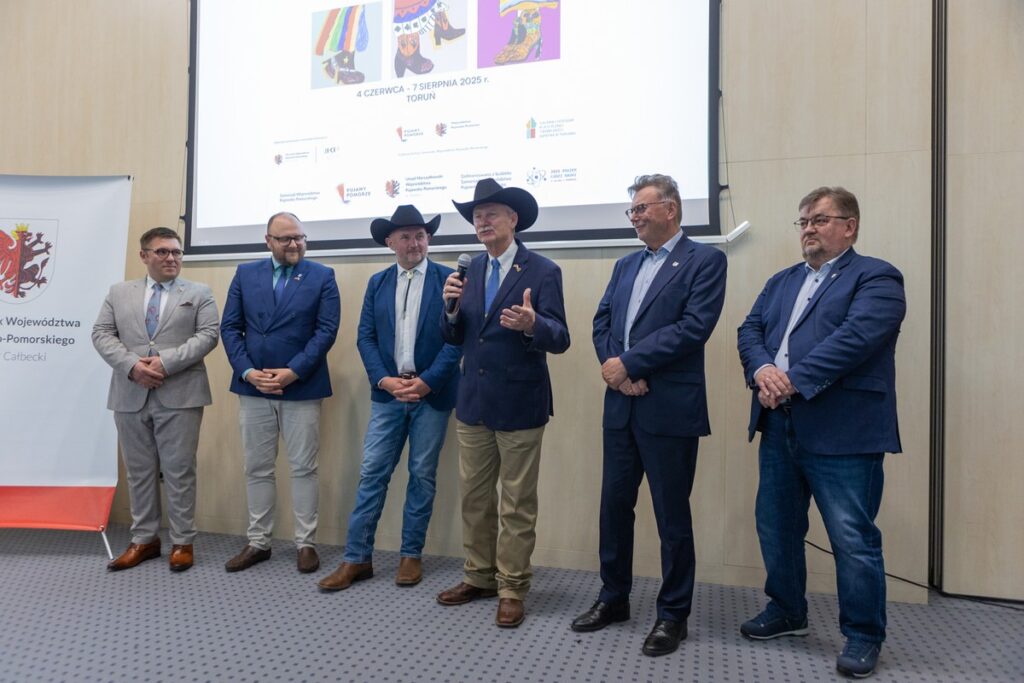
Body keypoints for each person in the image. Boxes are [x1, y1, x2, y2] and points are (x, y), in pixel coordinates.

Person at [736, 186, 905, 678]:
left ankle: (863, 634)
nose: (808, 228)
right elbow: (749, 330)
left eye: (820, 220)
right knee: (777, 525)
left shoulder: (876, 276)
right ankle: (788, 611)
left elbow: (857, 338)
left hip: (844, 429)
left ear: (849, 226)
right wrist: (764, 369)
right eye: (804, 221)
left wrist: (791, 380)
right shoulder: (782, 280)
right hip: (778, 423)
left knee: (851, 537)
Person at [572, 174, 727, 656]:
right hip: (621, 406)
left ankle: (672, 615)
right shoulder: (624, 265)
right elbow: (602, 322)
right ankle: (613, 598)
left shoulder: (705, 260)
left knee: (671, 517)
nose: (635, 217)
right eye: (632, 211)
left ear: (672, 209)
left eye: (642, 208)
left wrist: (632, 363)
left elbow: (694, 327)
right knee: (614, 509)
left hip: (669, 409)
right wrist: (617, 370)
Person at [436, 178, 570, 628]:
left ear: (513, 219)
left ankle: (512, 586)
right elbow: (454, 336)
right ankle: (479, 575)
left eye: (491, 212)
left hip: (519, 403)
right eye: (476, 215)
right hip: (472, 403)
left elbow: (561, 338)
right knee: (475, 499)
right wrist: (450, 310)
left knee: (516, 503)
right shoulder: (468, 270)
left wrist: (534, 324)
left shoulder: (542, 270)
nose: (482, 221)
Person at [318, 205, 461, 592]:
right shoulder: (377, 283)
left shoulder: (450, 280)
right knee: (372, 476)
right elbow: (365, 337)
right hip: (387, 396)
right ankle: (356, 559)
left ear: (428, 239)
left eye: (420, 235)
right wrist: (383, 380)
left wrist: (427, 382)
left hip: (431, 395)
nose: (414, 243)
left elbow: (457, 338)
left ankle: (410, 555)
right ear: (390, 242)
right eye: (405, 236)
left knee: (422, 477)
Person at [92, 227, 219, 572]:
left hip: (181, 393)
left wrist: (165, 362)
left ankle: (182, 542)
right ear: (144, 256)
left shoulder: (199, 292)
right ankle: (144, 540)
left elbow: (208, 335)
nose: (171, 258)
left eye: (176, 252)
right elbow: (101, 333)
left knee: (179, 470)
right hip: (129, 392)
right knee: (139, 471)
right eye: (162, 252)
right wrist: (132, 365)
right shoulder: (119, 293)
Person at [221, 212, 340, 574]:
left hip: (301, 385)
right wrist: (248, 372)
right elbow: (230, 328)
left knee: (304, 467)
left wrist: (292, 372)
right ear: (268, 240)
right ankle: (259, 542)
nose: (295, 245)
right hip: (254, 385)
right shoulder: (245, 274)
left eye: (300, 238)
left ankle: (306, 543)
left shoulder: (322, 276)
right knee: (257, 467)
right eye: (286, 239)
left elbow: (326, 331)